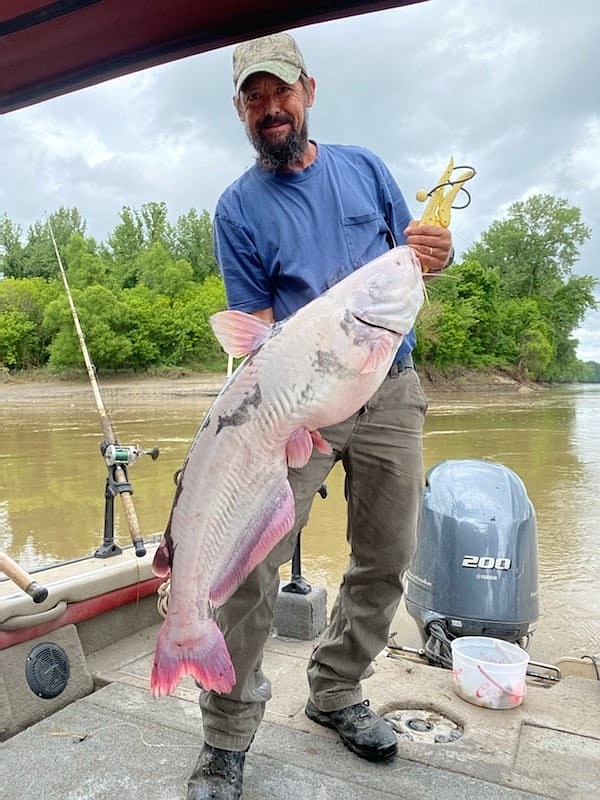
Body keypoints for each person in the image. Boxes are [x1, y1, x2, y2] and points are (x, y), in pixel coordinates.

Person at [187, 32, 453, 800]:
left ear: (308, 90)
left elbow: (413, 259)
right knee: (249, 563)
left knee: (388, 553)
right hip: (297, 405)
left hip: (390, 386)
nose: (269, 108)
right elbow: (256, 331)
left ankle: (336, 689)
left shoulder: (365, 167)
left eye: (280, 92)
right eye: (252, 98)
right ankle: (227, 735)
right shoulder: (238, 206)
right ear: (241, 110)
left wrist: (437, 250)